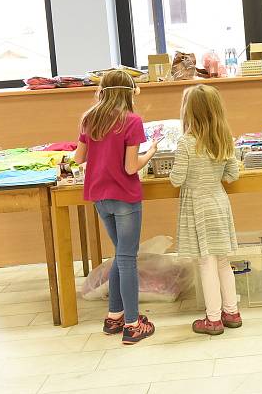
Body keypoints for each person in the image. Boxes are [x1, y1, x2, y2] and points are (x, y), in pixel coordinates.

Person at [73, 69, 158, 345]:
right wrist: (151, 152)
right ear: (129, 92)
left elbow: (78, 158)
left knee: (121, 255)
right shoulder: (132, 121)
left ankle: (115, 316)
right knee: (127, 258)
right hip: (124, 196)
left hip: (100, 197)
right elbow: (130, 167)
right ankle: (133, 325)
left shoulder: (89, 118)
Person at [170, 85, 243, 335]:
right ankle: (231, 311)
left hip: (197, 206)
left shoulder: (186, 142)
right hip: (219, 203)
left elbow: (176, 179)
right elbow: (233, 174)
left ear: (188, 111)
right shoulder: (223, 138)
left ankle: (212, 319)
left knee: (205, 263)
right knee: (223, 262)